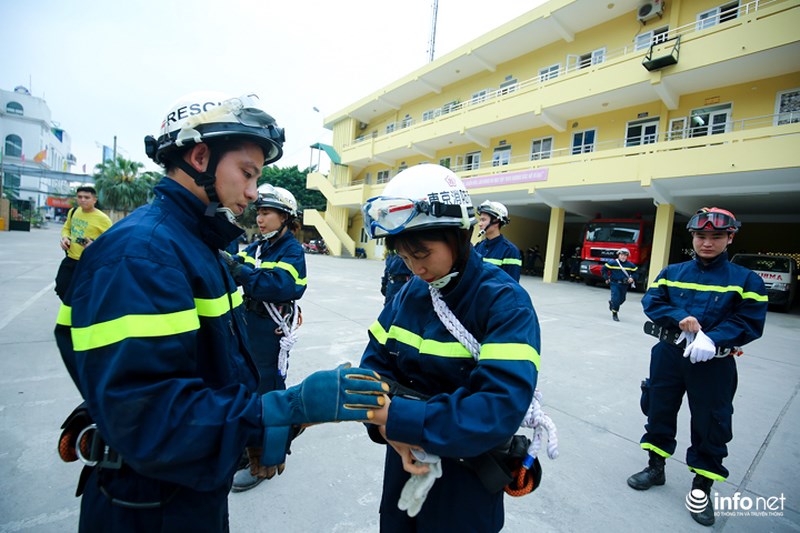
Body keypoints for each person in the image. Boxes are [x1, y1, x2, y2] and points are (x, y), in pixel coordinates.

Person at [54, 91, 386, 532]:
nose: (252, 193)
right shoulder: (144, 254)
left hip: (190, 481)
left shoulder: (196, 244)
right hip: (147, 504)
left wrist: (248, 432)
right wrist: (284, 409)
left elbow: (209, 366)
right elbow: (149, 417)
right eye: (247, 174)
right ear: (200, 156)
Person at [359, 164, 541, 532]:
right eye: (404, 257)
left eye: (421, 254)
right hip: (404, 459)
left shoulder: (505, 303)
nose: (415, 267)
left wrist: (397, 419)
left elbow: (496, 409)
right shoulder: (409, 293)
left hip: (467, 475)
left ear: (458, 234)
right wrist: (387, 431)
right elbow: (372, 367)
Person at [627, 207, 768, 527]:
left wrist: (714, 338)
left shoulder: (747, 280)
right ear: (692, 236)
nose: (707, 242)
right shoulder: (672, 272)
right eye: (701, 236)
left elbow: (750, 321)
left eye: (716, 236)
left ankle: (701, 488)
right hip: (668, 355)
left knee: (712, 423)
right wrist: (679, 318)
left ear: (730, 237)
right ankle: (655, 467)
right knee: (658, 409)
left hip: (714, 364)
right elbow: (652, 302)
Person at [227, 184, 307, 492]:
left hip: (269, 329)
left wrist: (241, 272)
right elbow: (240, 266)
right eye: (258, 212)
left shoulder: (292, 250)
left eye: (267, 213)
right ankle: (247, 450)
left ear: (285, 217)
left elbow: (286, 285)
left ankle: (267, 458)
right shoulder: (259, 247)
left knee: (268, 393)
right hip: (249, 323)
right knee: (246, 386)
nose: (260, 219)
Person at [54, 186, 112, 301]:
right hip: (70, 258)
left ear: (94, 200)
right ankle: (71, 311)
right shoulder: (74, 211)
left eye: (87, 197)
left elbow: (111, 241)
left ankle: (79, 314)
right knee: (61, 287)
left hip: (88, 262)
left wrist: (94, 245)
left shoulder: (103, 219)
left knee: (84, 293)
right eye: (80, 197)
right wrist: (65, 238)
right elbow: (66, 228)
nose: (83, 200)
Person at [473, 200, 522, 281]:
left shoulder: (510, 251)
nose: (480, 224)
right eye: (480, 220)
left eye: (483, 220)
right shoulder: (478, 247)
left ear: (496, 221)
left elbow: (511, 285)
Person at [602, 248, 637, 321]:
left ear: (627, 256)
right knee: (616, 299)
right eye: (621, 255)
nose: (623, 257)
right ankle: (615, 313)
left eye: (625, 255)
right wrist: (606, 278)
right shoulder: (612, 263)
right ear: (618, 255)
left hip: (624, 285)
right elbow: (603, 269)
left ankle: (612, 304)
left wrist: (633, 278)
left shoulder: (630, 265)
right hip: (614, 283)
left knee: (622, 299)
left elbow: (636, 272)